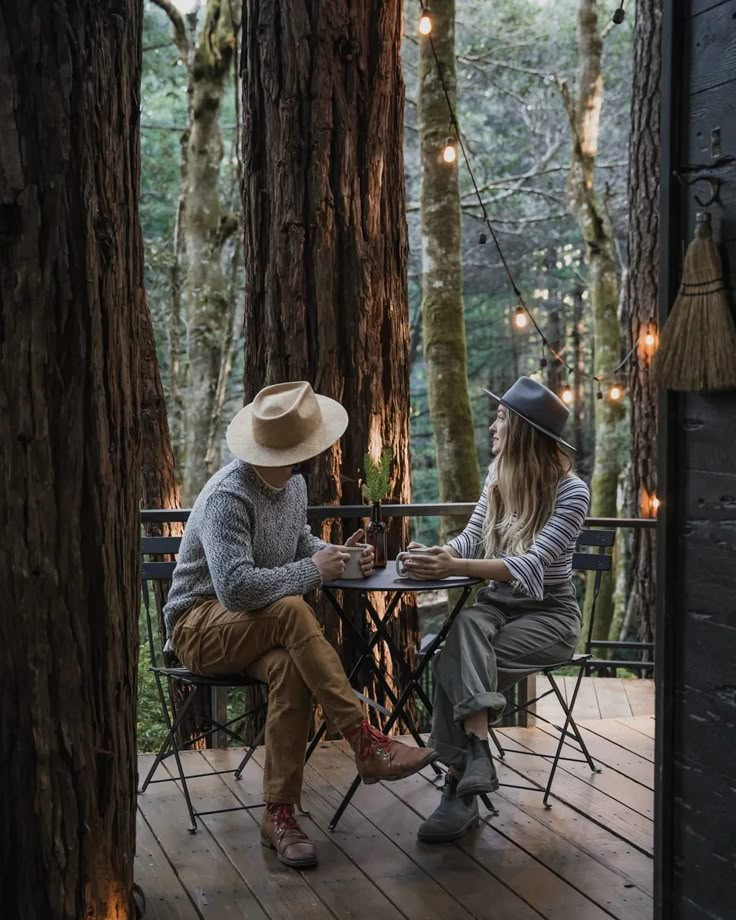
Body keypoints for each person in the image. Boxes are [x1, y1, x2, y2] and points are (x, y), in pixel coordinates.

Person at [163, 381, 438, 868]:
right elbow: (236, 589)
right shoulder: (230, 495)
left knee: (290, 667)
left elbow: (298, 542)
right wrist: (314, 571)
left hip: (254, 628)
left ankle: (280, 814)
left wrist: (336, 554)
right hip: (199, 626)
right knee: (291, 608)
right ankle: (365, 740)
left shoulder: (292, 484)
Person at [399, 376, 590, 843]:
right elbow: (469, 539)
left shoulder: (572, 492)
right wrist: (435, 556)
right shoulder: (496, 479)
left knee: (455, 660)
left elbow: (531, 564)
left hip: (549, 615)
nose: (492, 426)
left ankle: (458, 793)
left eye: (501, 417)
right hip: (495, 609)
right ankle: (478, 751)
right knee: (465, 629)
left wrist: (457, 564)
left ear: (522, 430)